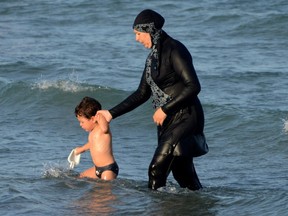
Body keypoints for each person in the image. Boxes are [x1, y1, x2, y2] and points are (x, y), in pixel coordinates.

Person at [98, 9, 206, 190]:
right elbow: (142, 93)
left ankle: (154, 208)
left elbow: (193, 86)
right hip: (168, 121)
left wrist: (165, 109)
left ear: (150, 30)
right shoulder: (152, 58)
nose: (137, 39)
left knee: (156, 169)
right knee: (183, 174)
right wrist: (111, 113)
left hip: (186, 117)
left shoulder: (175, 49)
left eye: (138, 34)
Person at [73, 96, 119, 180]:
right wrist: (81, 149)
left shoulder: (102, 128)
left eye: (82, 122)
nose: (80, 125)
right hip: (97, 169)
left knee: (104, 190)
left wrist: (100, 116)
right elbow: (92, 144)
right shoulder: (92, 132)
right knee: (80, 177)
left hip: (108, 169)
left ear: (93, 119)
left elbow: (105, 128)